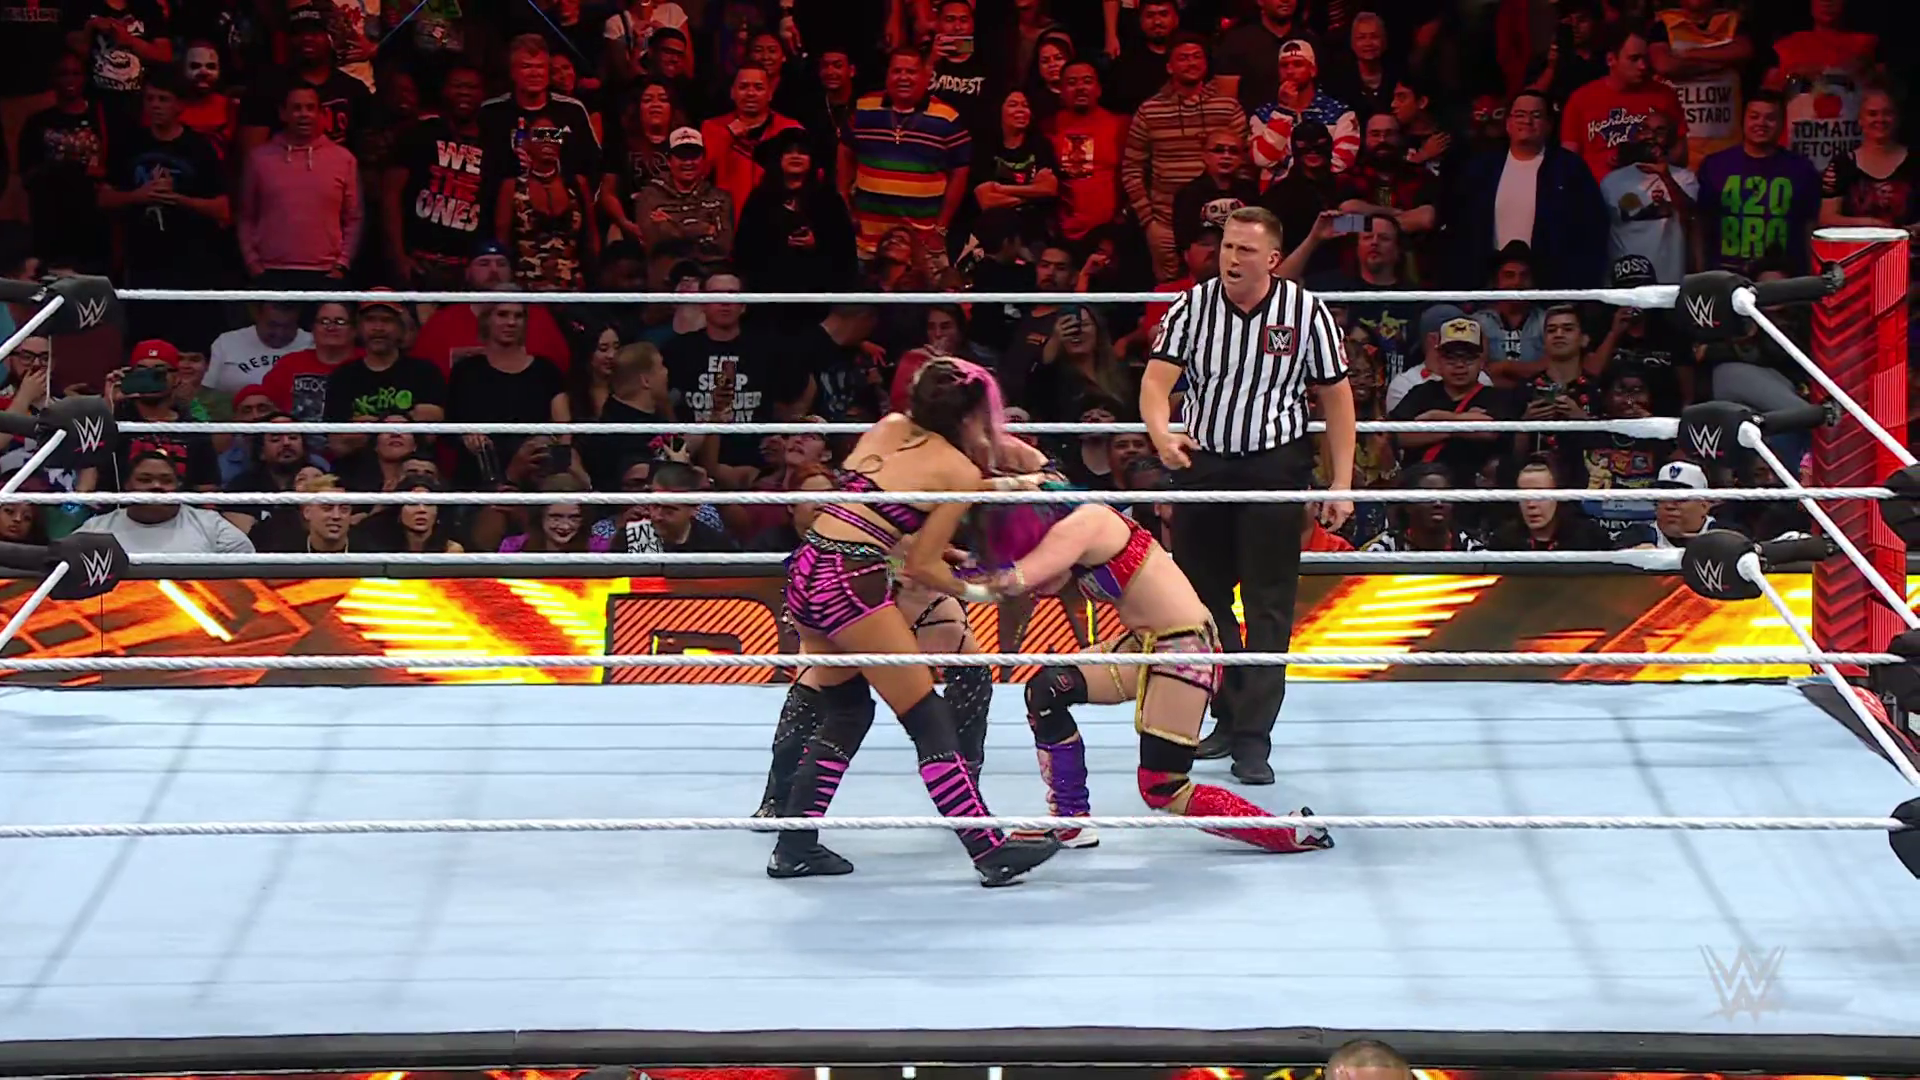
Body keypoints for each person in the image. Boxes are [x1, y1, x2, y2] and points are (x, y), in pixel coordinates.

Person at [770, 356, 1059, 887]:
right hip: (849, 583)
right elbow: (922, 566)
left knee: (847, 710)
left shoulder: (888, 427)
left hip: (806, 569)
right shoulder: (957, 471)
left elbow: (878, 505)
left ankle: (794, 845)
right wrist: (984, 590)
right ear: (971, 416)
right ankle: (988, 849)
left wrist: (1002, 493)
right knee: (927, 717)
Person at [911, 499, 1333, 855]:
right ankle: (1071, 821)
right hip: (1142, 646)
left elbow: (1016, 580)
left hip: (1186, 651)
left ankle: (1288, 831)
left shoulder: (1086, 524)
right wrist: (948, 561)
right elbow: (1025, 573)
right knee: (1047, 690)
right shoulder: (1061, 534)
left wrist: (940, 573)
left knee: (1163, 787)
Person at [1140, 205, 1354, 784]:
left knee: (1267, 605)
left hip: (1275, 466)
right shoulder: (1191, 307)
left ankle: (1254, 739)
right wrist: (1161, 434)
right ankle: (1230, 714)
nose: (1231, 258)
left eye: (1245, 250)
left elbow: (1337, 398)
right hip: (1204, 464)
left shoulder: (1306, 313)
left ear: (1273, 259)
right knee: (1200, 602)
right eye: (1227, 247)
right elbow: (1156, 382)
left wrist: (1341, 482)